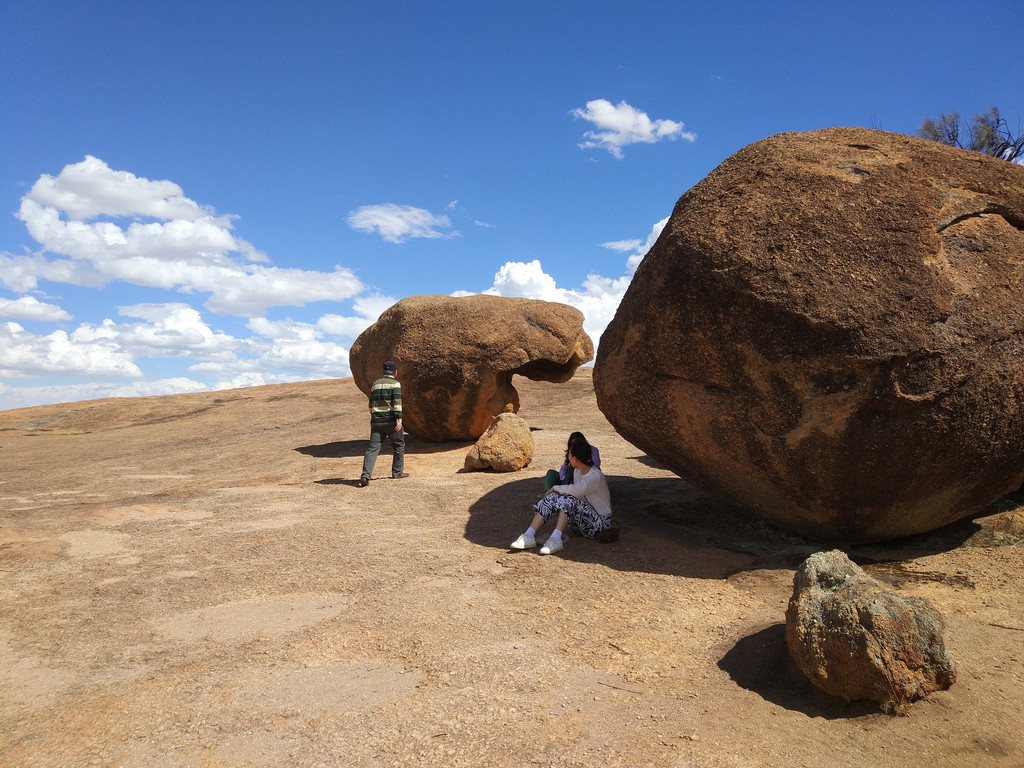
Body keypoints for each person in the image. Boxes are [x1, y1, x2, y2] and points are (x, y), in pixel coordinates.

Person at [511, 437, 617, 555]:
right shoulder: (577, 472)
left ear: (575, 459)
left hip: (600, 526)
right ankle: (528, 535)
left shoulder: (595, 476)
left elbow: (574, 490)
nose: (568, 457)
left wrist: (555, 487)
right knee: (554, 497)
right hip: (580, 525)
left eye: (569, 454)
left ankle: (556, 539)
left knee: (568, 498)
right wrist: (554, 493)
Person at [358, 360, 408, 487]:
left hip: (376, 422)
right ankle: (397, 473)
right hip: (391, 421)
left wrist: (374, 416)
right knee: (398, 445)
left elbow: (371, 404)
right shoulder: (395, 384)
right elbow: (397, 403)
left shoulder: (375, 384)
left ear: (383, 371)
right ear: (395, 372)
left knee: (372, 448)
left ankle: (365, 475)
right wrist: (399, 420)